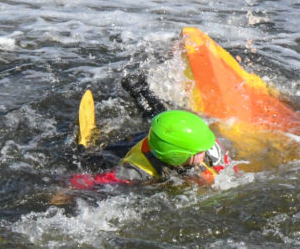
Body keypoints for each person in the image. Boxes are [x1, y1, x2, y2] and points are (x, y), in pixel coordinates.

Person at [69, 77, 232, 189]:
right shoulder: (137, 170)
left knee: (162, 119)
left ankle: (141, 90)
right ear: (177, 156)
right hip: (138, 148)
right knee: (102, 158)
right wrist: (70, 188)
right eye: (198, 151)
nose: (206, 149)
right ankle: (87, 152)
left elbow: (229, 173)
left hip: (155, 137)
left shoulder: (204, 140)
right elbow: (96, 181)